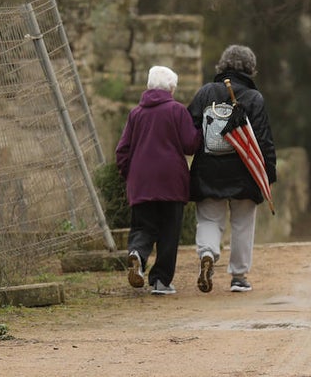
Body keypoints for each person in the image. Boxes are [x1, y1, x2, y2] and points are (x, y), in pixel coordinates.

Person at [187, 44, 277, 293]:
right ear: (250, 69)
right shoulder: (254, 98)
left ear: (222, 65)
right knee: (242, 224)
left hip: (208, 169)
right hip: (245, 172)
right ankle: (238, 276)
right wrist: (267, 174)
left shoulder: (206, 93)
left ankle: (207, 254)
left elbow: (190, 131)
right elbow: (263, 139)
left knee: (208, 219)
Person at [115, 65, 202, 295]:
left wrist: (130, 175)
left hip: (142, 181)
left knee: (143, 226)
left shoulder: (136, 114)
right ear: (171, 88)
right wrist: (201, 131)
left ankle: (137, 255)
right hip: (171, 181)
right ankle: (161, 281)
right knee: (168, 232)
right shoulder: (177, 111)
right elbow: (190, 145)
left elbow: (122, 151)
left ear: (148, 86)